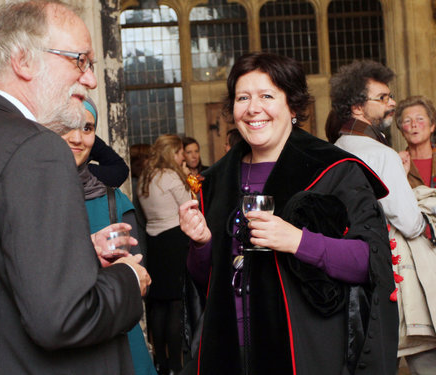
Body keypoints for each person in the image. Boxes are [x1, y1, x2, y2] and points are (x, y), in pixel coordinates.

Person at [0, 2, 150, 374]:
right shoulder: (39, 148)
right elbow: (63, 319)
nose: (91, 80)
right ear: (23, 61)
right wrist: (127, 278)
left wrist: (73, 256)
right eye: (80, 61)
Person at [179, 52, 398, 375]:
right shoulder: (215, 181)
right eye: (243, 97)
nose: (254, 108)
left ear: (292, 106)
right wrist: (201, 244)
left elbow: (369, 262)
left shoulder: (335, 170)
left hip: (306, 351)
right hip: (229, 350)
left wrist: (298, 241)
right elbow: (204, 280)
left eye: (267, 96)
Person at [329, 61, 436, 374]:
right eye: (384, 97)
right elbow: (410, 222)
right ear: (359, 106)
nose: (391, 103)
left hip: (357, 279)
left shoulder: (337, 147)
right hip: (394, 277)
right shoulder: (382, 154)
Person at [59, 98, 157, 375]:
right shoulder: (29, 198)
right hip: (59, 348)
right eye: (67, 126)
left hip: (116, 341)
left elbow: (142, 281)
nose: (77, 138)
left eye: (87, 129)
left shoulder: (113, 200)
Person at [138, 134, 192, 375]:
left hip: (154, 241)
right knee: (175, 303)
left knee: (158, 304)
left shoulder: (144, 178)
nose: (183, 156)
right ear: (172, 153)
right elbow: (188, 204)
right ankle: (176, 365)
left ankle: (160, 362)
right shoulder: (170, 176)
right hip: (174, 240)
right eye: (180, 152)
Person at [395, 95, 436, 188]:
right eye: (407, 121)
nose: (414, 124)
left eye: (420, 119)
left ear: (432, 126)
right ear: (401, 131)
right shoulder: (397, 163)